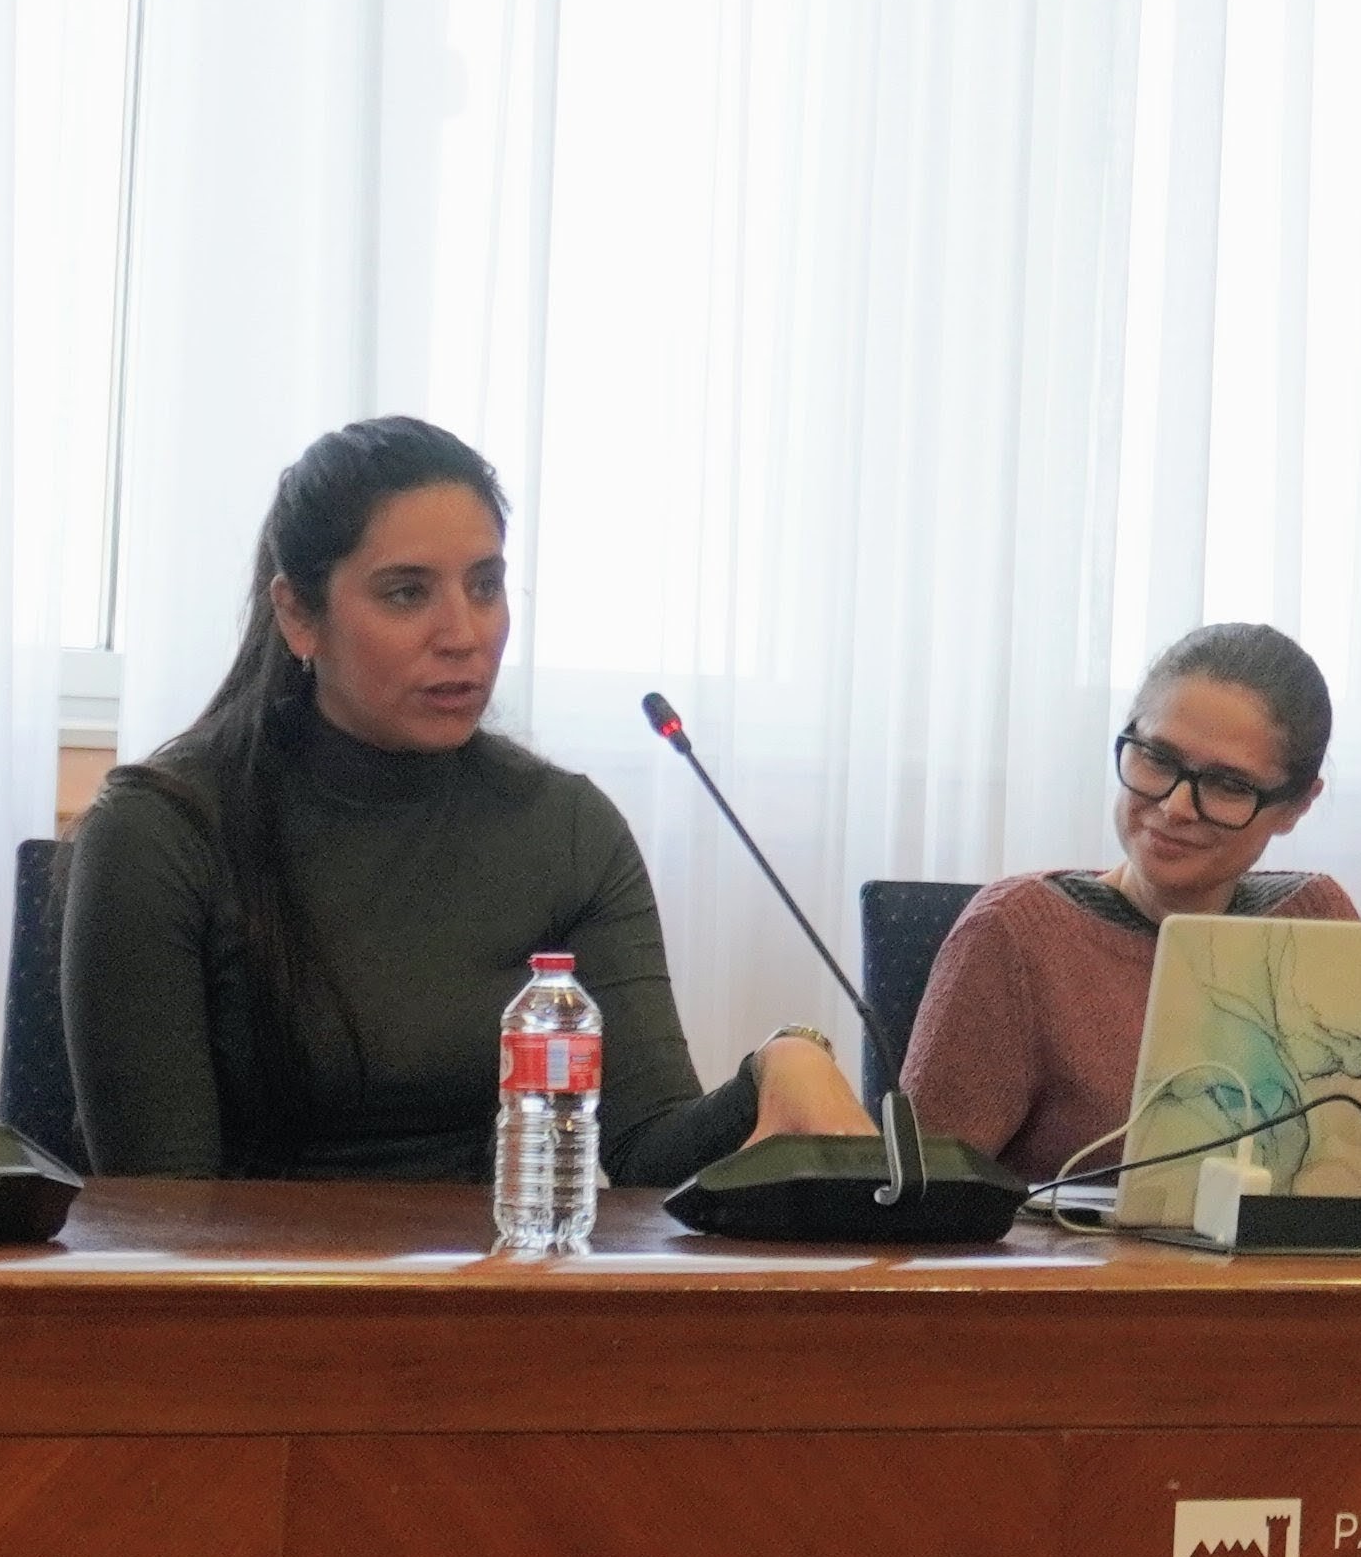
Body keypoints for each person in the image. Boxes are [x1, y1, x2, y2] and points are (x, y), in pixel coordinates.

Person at [60, 416, 862, 1184]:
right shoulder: (161, 834)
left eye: (485, 585)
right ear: (299, 615)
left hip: (495, 1301)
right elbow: (158, 1213)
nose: (463, 633)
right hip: (249, 1305)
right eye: (407, 594)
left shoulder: (566, 830)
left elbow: (648, 1151)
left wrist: (778, 1067)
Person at [898, 623, 1360, 1184]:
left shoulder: (1314, 920)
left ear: (1296, 806)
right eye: (1157, 759)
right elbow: (919, 1198)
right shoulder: (1016, 934)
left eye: (1228, 785)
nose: (1176, 807)